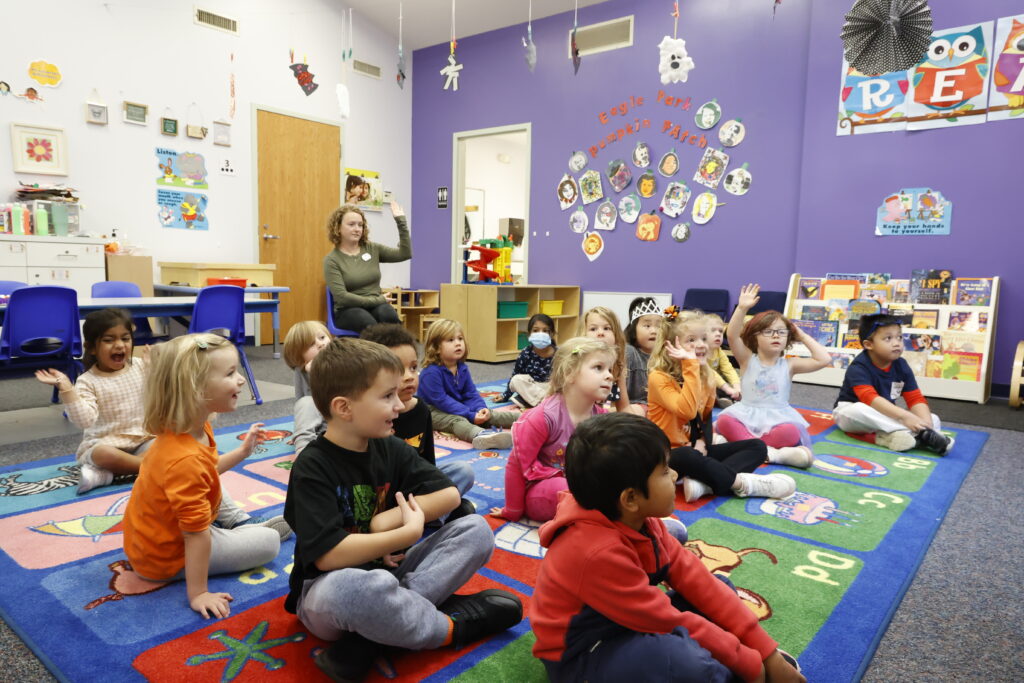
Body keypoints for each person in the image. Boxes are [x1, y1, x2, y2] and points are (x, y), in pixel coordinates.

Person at [283, 337, 523, 680]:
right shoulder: (312, 466)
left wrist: (385, 522)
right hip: (328, 592)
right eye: (386, 396)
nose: (399, 405)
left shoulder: (389, 447)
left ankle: (372, 637)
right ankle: (449, 628)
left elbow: (450, 495)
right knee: (358, 588)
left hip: (391, 576)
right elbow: (329, 557)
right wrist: (407, 532)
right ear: (344, 408)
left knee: (477, 530)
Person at [531, 412, 805, 683]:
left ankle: (736, 664)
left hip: (630, 622)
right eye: (664, 471)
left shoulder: (644, 522)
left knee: (719, 587)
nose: (675, 474)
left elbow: (695, 579)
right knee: (685, 663)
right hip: (584, 655)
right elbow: (666, 620)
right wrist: (750, 664)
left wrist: (766, 653)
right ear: (630, 498)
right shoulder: (595, 552)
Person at [122, 333, 290, 620]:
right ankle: (244, 530)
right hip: (169, 557)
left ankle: (237, 523)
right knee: (269, 542)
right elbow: (195, 537)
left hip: (160, 537)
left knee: (208, 483)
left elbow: (208, 471)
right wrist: (198, 593)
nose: (240, 380)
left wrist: (242, 452)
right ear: (195, 389)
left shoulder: (191, 429)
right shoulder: (184, 459)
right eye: (230, 373)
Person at [647, 309, 795, 502]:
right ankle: (743, 485)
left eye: (702, 338)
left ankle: (706, 485)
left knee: (757, 446)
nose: (700, 345)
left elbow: (706, 417)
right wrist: (690, 365)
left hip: (693, 447)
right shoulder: (658, 377)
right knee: (687, 455)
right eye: (691, 340)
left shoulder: (705, 374)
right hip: (668, 454)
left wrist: (703, 441)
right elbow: (687, 410)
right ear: (670, 346)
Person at [493, 338, 613, 523]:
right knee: (564, 488)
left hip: (579, 486)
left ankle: (596, 515)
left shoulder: (601, 419)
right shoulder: (544, 417)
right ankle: (596, 516)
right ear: (569, 373)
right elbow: (515, 465)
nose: (609, 376)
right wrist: (513, 510)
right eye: (598, 367)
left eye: (610, 369)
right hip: (541, 490)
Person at [360, 323, 476, 513]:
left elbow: (428, 465)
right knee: (460, 508)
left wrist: (436, 490)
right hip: (381, 495)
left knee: (463, 472)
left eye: (413, 367)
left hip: (414, 487)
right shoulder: (372, 417)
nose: (409, 377)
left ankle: (428, 514)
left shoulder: (421, 410)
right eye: (397, 369)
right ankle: (432, 516)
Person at [35, 309, 152, 494]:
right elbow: (84, 420)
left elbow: (162, 396)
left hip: (143, 441)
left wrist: (154, 370)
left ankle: (106, 475)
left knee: (172, 438)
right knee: (103, 454)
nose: (120, 345)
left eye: (125, 338)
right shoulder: (88, 381)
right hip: (107, 445)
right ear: (91, 347)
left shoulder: (140, 366)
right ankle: (149, 468)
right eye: (109, 340)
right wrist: (67, 388)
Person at [716, 284, 830, 468]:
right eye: (768, 332)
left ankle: (746, 448)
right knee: (725, 421)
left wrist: (801, 335)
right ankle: (773, 453)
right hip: (746, 414)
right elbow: (732, 334)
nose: (776, 335)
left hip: (778, 418)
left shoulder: (789, 365)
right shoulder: (747, 359)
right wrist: (742, 308)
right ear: (754, 337)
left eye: (781, 332)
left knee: (791, 431)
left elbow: (823, 359)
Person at [832, 314, 953, 454]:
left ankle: (913, 435)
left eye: (899, 337)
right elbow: (870, 399)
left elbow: (915, 399)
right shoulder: (858, 367)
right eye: (888, 338)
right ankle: (920, 436)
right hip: (853, 415)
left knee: (933, 418)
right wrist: (905, 417)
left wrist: (927, 425)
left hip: (885, 415)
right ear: (868, 344)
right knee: (860, 409)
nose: (896, 343)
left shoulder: (901, 365)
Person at [417, 319, 520, 450]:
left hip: (456, 406)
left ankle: (525, 419)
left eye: (460, 339)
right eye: (450, 340)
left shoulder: (462, 368)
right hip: (432, 411)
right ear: (436, 347)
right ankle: (481, 435)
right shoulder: (430, 373)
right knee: (457, 421)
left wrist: (481, 409)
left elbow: (470, 393)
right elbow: (442, 401)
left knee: (488, 415)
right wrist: (470, 415)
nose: (458, 343)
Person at [324, 200, 411, 333]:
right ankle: (377, 353)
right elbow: (342, 297)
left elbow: (404, 254)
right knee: (368, 323)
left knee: (389, 317)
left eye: (360, 225)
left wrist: (401, 222)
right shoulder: (331, 260)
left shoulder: (372, 249)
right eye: (351, 224)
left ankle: (397, 352)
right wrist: (377, 300)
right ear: (338, 228)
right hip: (348, 310)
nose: (357, 229)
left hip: (376, 305)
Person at [580, 306, 642, 415]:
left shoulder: (618, 365)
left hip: (603, 416)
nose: (600, 333)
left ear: (616, 335)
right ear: (583, 334)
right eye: (593, 329)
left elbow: (624, 407)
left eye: (607, 328)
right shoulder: (578, 363)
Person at [502, 313, 557, 409]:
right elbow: (516, 374)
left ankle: (530, 401)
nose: (540, 334)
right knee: (516, 380)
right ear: (529, 334)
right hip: (531, 387)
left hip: (550, 387)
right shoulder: (526, 353)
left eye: (545, 331)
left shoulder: (559, 354)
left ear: (552, 334)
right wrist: (505, 395)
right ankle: (544, 403)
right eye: (535, 330)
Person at [624, 296, 665, 409]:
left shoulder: (666, 354)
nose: (654, 331)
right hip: (634, 408)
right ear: (634, 329)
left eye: (659, 326)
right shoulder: (629, 352)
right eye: (647, 326)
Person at [705, 313, 742, 408]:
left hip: (719, 381)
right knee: (707, 385)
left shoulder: (718, 351)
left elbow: (728, 369)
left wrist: (736, 385)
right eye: (713, 330)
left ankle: (737, 395)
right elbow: (710, 373)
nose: (718, 334)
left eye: (720, 331)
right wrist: (727, 389)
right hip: (707, 380)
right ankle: (720, 400)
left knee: (737, 372)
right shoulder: (700, 351)